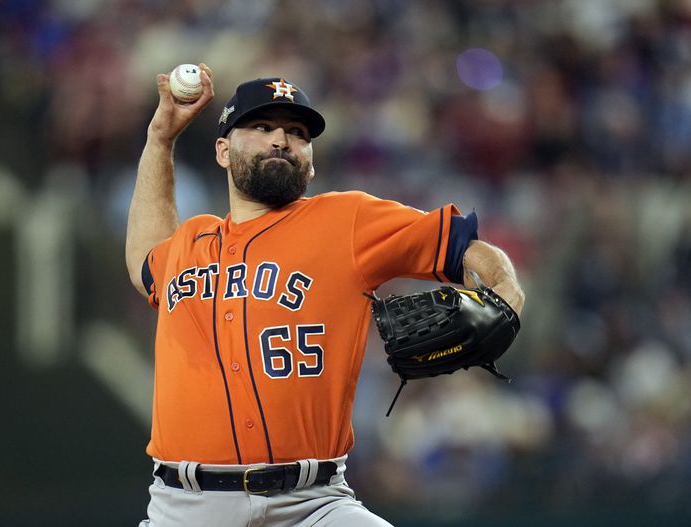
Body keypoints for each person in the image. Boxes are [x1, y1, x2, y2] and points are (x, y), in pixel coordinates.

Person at [126, 63, 525, 526]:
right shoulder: (190, 242)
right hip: (187, 507)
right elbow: (144, 262)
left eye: (297, 133)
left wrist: (507, 292)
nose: (280, 140)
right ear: (222, 150)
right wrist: (160, 140)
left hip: (313, 504)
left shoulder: (347, 221)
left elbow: (465, 247)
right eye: (261, 126)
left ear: (311, 160)